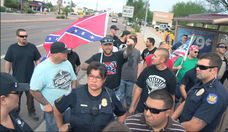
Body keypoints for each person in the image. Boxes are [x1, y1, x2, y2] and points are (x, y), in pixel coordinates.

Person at [53, 62, 126, 132]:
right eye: (91, 76)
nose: (94, 81)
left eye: (98, 77)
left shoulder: (110, 95)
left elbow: (121, 114)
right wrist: (60, 126)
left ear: (104, 79)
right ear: (87, 77)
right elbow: (57, 107)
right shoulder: (75, 93)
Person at [172, 52, 228, 131]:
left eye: (202, 67)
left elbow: (195, 126)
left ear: (214, 70)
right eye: (197, 66)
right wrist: (171, 121)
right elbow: (186, 102)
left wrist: (170, 127)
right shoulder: (200, 82)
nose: (197, 69)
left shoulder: (215, 94)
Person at [29, 41, 77, 131]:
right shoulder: (41, 69)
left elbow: (74, 80)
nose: (67, 53)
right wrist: (46, 104)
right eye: (64, 52)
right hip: (53, 110)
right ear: (54, 54)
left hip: (68, 108)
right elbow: (33, 90)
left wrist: (73, 93)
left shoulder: (67, 63)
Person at [4, 28, 41, 121]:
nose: (24, 38)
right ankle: (15, 115)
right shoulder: (12, 48)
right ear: (17, 37)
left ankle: (32, 112)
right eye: (22, 36)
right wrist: (7, 76)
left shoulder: (32, 47)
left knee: (30, 99)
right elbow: (8, 62)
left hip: (30, 79)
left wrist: (39, 71)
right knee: (15, 99)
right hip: (17, 79)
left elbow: (37, 60)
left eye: (26, 36)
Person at [129, 48, 176, 114]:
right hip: (142, 109)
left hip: (157, 113)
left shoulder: (171, 76)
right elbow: (138, 88)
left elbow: (172, 96)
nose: (152, 58)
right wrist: (132, 106)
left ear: (162, 60)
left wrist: (171, 112)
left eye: (155, 56)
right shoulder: (147, 70)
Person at [118, 36, 140, 109]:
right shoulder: (123, 50)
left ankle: (129, 108)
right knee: (120, 94)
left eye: (131, 41)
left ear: (135, 43)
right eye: (128, 41)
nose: (129, 43)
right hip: (122, 76)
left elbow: (137, 64)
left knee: (129, 95)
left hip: (131, 77)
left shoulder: (137, 52)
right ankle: (119, 109)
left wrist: (136, 76)